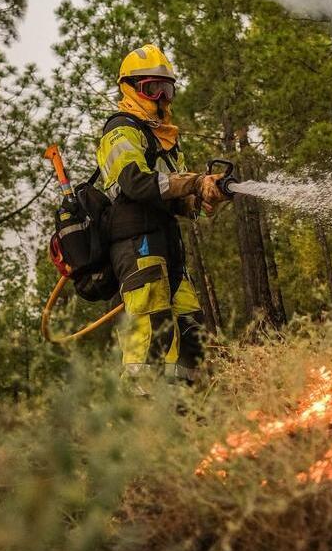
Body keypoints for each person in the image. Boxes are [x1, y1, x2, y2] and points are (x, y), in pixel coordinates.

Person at [94, 44, 231, 388]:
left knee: (190, 329)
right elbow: (136, 184)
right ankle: (138, 420)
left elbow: (174, 196)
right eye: (151, 88)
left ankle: (183, 411)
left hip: (167, 245)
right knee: (150, 332)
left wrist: (203, 196)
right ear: (129, 88)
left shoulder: (164, 139)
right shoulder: (120, 131)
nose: (161, 98)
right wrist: (193, 182)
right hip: (136, 245)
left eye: (166, 89)